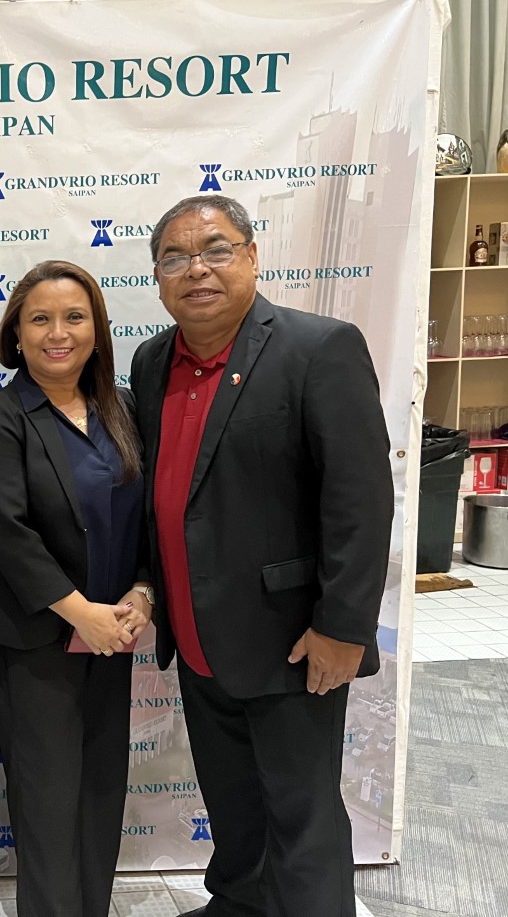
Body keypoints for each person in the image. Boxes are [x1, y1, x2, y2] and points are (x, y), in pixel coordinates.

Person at [130, 194, 394, 917]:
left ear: (251, 257)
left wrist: (345, 628)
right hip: (198, 638)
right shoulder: (153, 362)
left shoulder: (319, 348)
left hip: (292, 641)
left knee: (301, 817)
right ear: (157, 278)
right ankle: (240, 907)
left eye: (216, 250)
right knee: (235, 807)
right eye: (175, 259)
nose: (197, 271)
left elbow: (360, 501)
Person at [0, 260, 151, 917]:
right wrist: (81, 614)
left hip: (113, 640)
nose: (57, 333)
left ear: (97, 328)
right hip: (40, 642)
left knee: (101, 795)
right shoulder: (1, 416)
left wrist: (142, 595)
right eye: (39, 319)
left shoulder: (122, 408)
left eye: (74, 317)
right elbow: (6, 533)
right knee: (46, 808)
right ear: (16, 331)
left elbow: (147, 516)